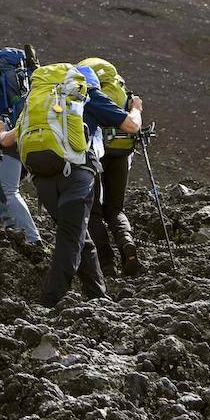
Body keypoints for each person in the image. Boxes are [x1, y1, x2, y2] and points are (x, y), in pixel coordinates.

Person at [0, 64, 141, 309]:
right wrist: (135, 108)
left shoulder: (41, 101)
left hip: (43, 178)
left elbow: (8, 139)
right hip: (77, 176)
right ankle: (50, 301)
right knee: (71, 238)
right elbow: (131, 126)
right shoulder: (88, 95)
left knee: (79, 236)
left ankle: (98, 295)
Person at [78, 59, 143, 276]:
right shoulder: (120, 89)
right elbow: (131, 124)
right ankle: (128, 247)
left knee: (94, 210)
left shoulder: (86, 93)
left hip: (95, 154)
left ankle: (106, 263)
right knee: (115, 209)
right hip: (122, 153)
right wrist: (136, 108)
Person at [0, 47, 43, 249]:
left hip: (8, 142)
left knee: (9, 189)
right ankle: (11, 226)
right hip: (25, 136)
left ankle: (33, 238)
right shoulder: (15, 82)